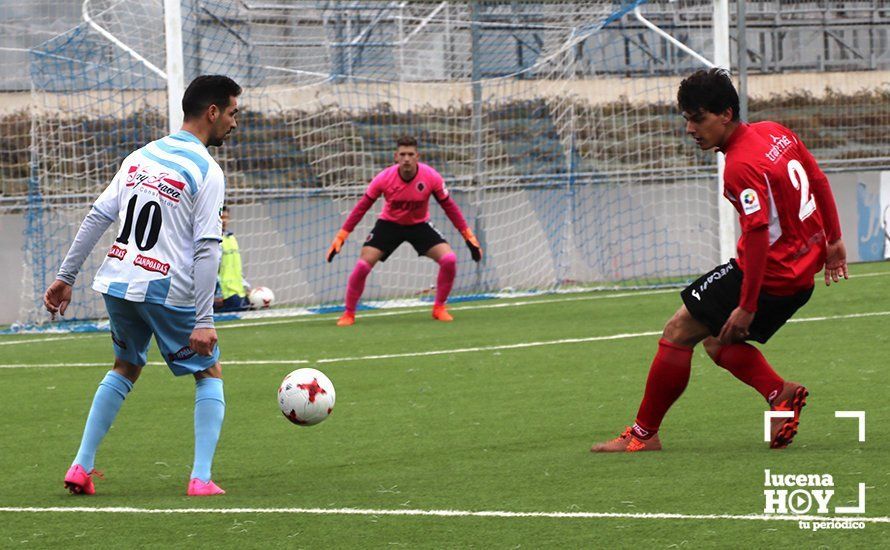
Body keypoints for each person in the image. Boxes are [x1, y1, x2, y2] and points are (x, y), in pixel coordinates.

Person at [591, 68, 847, 453]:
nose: (691, 129)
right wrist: (835, 240)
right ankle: (780, 394)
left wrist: (746, 305)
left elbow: (758, 233)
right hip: (799, 277)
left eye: (698, 118)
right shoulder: (775, 132)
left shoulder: (740, 165)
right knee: (715, 340)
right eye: (687, 119)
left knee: (678, 330)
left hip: (769, 274)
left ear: (725, 114)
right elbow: (818, 178)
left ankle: (643, 435)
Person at [43, 75, 241, 494]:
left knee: (126, 366)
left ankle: (81, 466)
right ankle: (201, 478)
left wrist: (65, 276)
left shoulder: (140, 156)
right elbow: (208, 248)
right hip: (165, 289)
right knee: (209, 371)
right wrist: (204, 319)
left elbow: (97, 217)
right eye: (232, 113)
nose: (234, 123)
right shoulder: (207, 170)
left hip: (117, 281)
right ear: (212, 112)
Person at [326, 136, 482, 326]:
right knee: (362, 265)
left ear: (417, 156)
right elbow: (362, 207)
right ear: (396, 157)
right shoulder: (383, 178)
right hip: (389, 225)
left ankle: (439, 307)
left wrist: (468, 236)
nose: (406, 158)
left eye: (410, 154)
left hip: (419, 226)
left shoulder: (431, 176)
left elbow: (449, 207)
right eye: (402, 154)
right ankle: (349, 313)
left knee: (449, 260)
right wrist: (342, 235)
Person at [214, 205, 251, 312]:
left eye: (226, 217)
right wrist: (217, 294)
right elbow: (213, 270)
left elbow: (236, 267)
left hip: (239, 293)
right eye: (221, 217)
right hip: (224, 295)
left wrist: (245, 286)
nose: (224, 221)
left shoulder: (231, 238)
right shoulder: (214, 241)